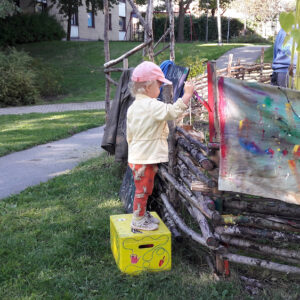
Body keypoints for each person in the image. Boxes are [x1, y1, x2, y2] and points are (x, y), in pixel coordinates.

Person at [127, 61, 194, 231]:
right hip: (144, 158)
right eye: (159, 84)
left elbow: (129, 134)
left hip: (137, 156)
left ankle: (141, 214)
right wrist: (186, 95)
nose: (161, 88)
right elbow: (171, 112)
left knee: (145, 188)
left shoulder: (134, 106)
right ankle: (138, 219)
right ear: (148, 87)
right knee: (143, 190)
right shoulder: (151, 105)